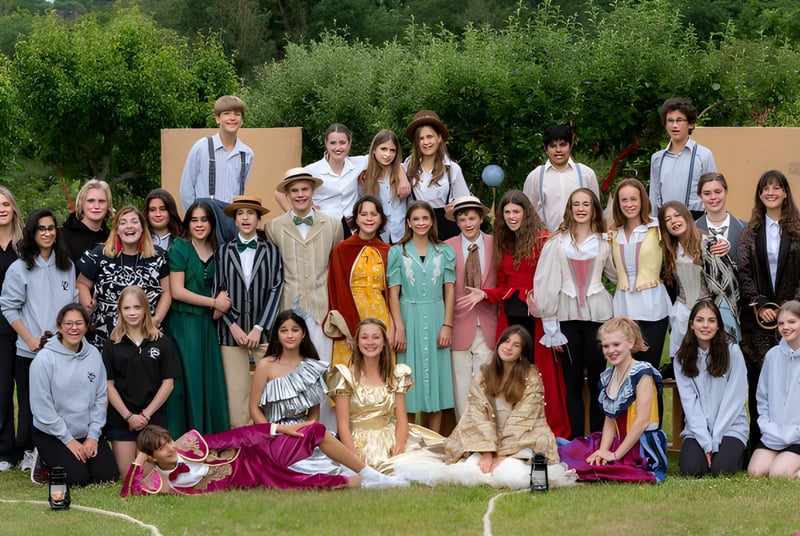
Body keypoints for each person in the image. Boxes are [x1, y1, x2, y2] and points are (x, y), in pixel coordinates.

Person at [457, 190, 570, 439]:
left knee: (541, 374)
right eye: (506, 212)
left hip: (538, 317)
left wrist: (538, 294)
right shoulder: (505, 244)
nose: (511, 216)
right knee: (512, 372)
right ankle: (511, 430)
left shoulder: (544, 241)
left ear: (525, 212)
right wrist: (485, 294)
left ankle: (548, 429)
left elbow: (555, 279)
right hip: (511, 315)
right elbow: (506, 285)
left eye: (516, 211)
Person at [120, 421, 407, 495]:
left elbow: (234, 437)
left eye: (168, 441)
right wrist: (138, 461)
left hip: (253, 455)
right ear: (153, 457)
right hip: (253, 477)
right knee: (308, 483)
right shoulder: (159, 481)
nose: (170, 448)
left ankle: (371, 474)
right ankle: (370, 485)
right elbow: (128, 494)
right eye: (162, 448)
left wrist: (279, 429)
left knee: (315, 431)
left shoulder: (190, 444)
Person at [534, 188, 616, 437]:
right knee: (571, 382)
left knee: (597, 380)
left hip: (598, 315)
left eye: (586, 204)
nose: (581, 209)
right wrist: (550, 325)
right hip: (566, 316)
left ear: (594, 209)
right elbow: (547, 282)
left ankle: (599, 439)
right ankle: (576, 439)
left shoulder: (604, 242)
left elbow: (616, 273)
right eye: (576, 204)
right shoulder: (557, 242)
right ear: (569, 209)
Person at [1, 209, 78, 473]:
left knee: (59, 403)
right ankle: (27, 452)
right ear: (32, 234)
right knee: (30, 405)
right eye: (41, 229)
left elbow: (72, 307)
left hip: (62, 350)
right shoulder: (19, 268)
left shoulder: (67, 265)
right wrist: (31, 339)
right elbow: (9, 308)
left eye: (51, 228)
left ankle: (53, 451)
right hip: (30, 350)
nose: (47, 233)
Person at [558, 317, 668, 483]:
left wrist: (615, 454)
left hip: (641, 445)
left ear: (630, 343)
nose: (611, 350)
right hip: (618, 442)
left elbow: (642, 421)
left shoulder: (643, 373)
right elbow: (610, 420)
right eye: (606, 346)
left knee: (600, 469)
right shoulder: (609, 376)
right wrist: (603, 451)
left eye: (616, 345)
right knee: (571, 453)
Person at [737, 170, 800, 451]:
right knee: (760, 380)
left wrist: (790, 309)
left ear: (785, 192)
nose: (771, 192)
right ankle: (758, 441)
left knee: (793, 380)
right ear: (759, 194)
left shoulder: (798, 229)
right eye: (765, 188)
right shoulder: (749, 231)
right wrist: (758, 303)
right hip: (758, 321)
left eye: (776, 187)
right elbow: (743, 270)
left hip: (793, 317)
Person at [328, 318, 442, 472]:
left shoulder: (394, 375)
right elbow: (342, 425)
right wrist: (353, 457)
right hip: (358, 442)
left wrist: (400, 446)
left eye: (376, 337)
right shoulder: (345, 376)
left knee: (426, 463)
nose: (370, 342)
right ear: (357, 342)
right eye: (364, 337)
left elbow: (402, 419)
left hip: (390, 436)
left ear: (383, 343)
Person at [445, 325, 559, 472]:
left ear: (522, 353)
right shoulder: (483, 375)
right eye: (506, 341)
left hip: (521, 440)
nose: (508, 347)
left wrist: (503, 454)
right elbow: (477, 414)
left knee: (511, 471)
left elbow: (523, 419)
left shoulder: (531, 377)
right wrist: (487, 453)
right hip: (487, 441)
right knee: (471, 469)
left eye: (516, 345)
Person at [29, 304, 119, 486]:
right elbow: (42, 409)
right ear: (59, 326)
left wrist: (93, 436)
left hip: (85, 431)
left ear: (86, 326)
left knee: (107, 476)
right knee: (77, 479)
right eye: (68, 323)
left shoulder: (94, 355)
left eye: (79, 323)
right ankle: (42, 459)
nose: (74, 328)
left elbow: (100, 398)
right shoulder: (44, 360)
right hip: (53, 433)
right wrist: (69, 441)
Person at [388, 200, 456, 433]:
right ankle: (407, 437)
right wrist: (399, 327)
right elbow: (393, 292)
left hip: (437, 314)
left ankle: (434, 440)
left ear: (431, 221)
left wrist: (447, 324)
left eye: (425, 218)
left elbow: (449, 289)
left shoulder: (445, 251)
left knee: (436, 377)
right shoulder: (398, 251)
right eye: (416, 219)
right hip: (408, 315)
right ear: (408, 222)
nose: (420, 223)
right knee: (407, 377)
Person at [214, 195, 283, 428]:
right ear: (234, 220)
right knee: (237, 397)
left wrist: (258, 327)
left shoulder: (272, 251)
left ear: (258, 218)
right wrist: (233, 326)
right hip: (230, 336)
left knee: (271, 395)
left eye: (250, 213)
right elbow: (218, 293)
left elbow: (276, 289)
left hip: (263, 334)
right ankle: (242, 451)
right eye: (240, 213)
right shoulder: (223, 252)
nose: (245, 218)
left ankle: (271, 445)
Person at [165, 201, 231, 435]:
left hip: (208, 324)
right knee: (188, 379)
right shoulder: (180, 247)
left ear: (212, 223)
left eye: (204, 220)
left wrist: (223, 303)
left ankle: (212, 439)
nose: (199, 224)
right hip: (184, 323)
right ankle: (185, 438)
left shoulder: (220, 249)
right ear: (187, 223)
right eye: (194, 220)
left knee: (209, 379)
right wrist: (214, 302)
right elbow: (177, 291)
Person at [265, 167, 343, 362]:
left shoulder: (333, 225)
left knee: (322, 368)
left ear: (312, 191)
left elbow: (336, 269)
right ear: (287, 194)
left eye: (304, 189)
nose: (300, 195)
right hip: (289, 308)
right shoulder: (273, 227)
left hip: (322, 310)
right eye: (294, 190)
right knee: (292, 369)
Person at [103, 287, 180, 476]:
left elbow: (168, 384)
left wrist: (145, 415)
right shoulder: (111, 345)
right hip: (122, 419)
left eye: (137, 307)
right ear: (119, 311)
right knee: (127, 474)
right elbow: (108, 386)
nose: (132, 313)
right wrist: (129, 417)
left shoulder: (162, 342)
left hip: (153, 419)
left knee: (146, 477)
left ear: (146, 308)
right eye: (127, 308)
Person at [76, 206, 171, 351]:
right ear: (117, 229)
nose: (129, 227)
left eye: (134, 222)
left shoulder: (157, 256)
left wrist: (156, 319)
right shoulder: (99, 255)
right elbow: (81, 283)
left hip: (146, 332)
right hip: (108, 333)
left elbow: (167, 291)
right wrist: (88, 306)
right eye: (123, 222)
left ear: (142, 228)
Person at [674, 299, 748, 477]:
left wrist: (716, 439)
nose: (705, 325)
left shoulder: (733, 352)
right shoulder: (682, 358)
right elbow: (689, 404)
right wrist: (706, 442)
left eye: (711, 320)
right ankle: (706, 452)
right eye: (700, 320)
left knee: (721, 470)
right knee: (691, 470)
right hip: (697, 429)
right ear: (691, 325)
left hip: (730, 426)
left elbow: (735, 399)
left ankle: (740, 451)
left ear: (718, 325)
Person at [659, 200, 740, 359]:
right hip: (682, 311)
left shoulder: (709, 243)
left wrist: (720, 314)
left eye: (677, 215)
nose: (674, 221)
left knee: (710, 359)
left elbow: (727, 282)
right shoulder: (671, 249)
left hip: (707, 308)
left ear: (687, 217)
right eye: (668, 219)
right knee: (684, 361)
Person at [608, 178, 671, 370]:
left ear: (642, 200)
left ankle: (653, 401)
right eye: (624, 200)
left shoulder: (657, 228)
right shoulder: (612, 233)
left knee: (649, 370)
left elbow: (687, 241)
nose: (629, 204)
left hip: (653, 305)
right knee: (625, 370)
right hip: (623, 306)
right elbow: (608, 268)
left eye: (633, 199)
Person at [444, 196, 497, 420]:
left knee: (484, 383)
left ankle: (484, 433)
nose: (468, 224)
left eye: (472, 218)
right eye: (463, 219)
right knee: (461, 384)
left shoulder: (495, 243)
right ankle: (463, 435)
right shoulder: (447, 247)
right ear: (456, 222)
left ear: (481, 218)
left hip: (488, 322)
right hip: (458, 323)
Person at [325, 195, 391, 367]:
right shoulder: (342, 249)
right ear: (356, 218)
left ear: (381, 219)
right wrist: (350, 330)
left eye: (374, 214)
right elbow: (337, 289)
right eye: (364, 214)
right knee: (349, 372)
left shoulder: (389, 251)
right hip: (350, 318)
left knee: (379, 369)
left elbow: (393, 292)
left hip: (381, 317)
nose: (369, 218)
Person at [179, 95, 253, 244]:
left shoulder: (247, 153)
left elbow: (240, 191)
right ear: (217, 118)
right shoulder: (201, 147)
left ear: (242, 119)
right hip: (206, 218)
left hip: (231, 220)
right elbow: (186, 189)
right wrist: (196, 221)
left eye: (237, 114)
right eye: (226, 113)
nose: (232, 118)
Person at [747, 301, 800, 479]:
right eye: (781, 323)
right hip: (774, 434)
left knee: (778, 474)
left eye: (792, 322)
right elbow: (762, 398)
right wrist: (768, 427)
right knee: (755, 472)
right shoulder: (772, 356)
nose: (786, 327)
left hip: (798, 435)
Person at [403, 110, 470, 241]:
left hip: (446, 229)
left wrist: (455, 206)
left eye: (430, 136)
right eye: (421, 138)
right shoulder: (407, 167)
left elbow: (465, 204)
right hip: (419, 227)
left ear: (439, 138)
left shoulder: (452, 169)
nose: (425, 142)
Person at [522, 124, 600, 232]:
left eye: (563, 145)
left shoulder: (586, 174)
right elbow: (527, 213)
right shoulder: (535, 176)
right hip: (546, 242)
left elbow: (596, 212)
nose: (558, 150)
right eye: (553, 146)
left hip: (581, 241)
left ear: (570, 146)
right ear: (546, 148)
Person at [649, 97, 717, 218]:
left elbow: (713, 193)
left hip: (695, 220)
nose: (674, 125)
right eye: (670, 120)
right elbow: (653, 198)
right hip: (665, 221)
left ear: (690, 124)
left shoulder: (703, 155)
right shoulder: (657, 159)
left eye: (679, 120)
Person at [0, 187, 22, 472]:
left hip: (28, 327)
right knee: (2, 390)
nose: (2, 209)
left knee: (29, 394)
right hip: (0, 331)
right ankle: (4, 451)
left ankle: (28, 447)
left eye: (6, 204)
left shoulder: (24, 244)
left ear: (14, 208)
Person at [358, 130, 408, 243]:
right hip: (375, 236)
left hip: (401, 235)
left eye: (392, 150)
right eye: (383, 149)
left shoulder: (404, 172)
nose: (388, 154)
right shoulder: (363, 178)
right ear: (374, 150)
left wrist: (403, 177)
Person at [694, 172, 747, 263]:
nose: (713, 197)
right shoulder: (692, 230)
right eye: (707, 193)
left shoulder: (745, 228)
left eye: (718, 192)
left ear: (726, 191)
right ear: (700, 196)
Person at [60, 179, 113, 264]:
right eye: (90, 201)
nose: (96, 206)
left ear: (108, 205)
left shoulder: (112, 238)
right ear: (81, 203)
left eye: (101, 201)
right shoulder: (62, 236)